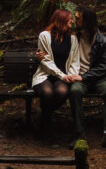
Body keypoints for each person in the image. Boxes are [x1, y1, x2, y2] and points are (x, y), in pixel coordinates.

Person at [66, 6, 106, 150]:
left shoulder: (103, 41)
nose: (74, 20)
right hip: (80, 78)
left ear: (87, 20)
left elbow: (104, 66)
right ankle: (80, 134)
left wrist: (84, 77)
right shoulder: (74, 37)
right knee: (75, 91)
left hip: (99, 78)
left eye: (78, 18)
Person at [31, 9, 81, 137]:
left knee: (62, 92)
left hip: (64, 77)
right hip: (45, 75)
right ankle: (45, 125)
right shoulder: (44, 36)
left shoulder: (73, 38)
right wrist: (63, 76)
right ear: (61, 19)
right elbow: (45, 61)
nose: (72, 21)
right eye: (70, 18)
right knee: (47, 93)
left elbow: (75, 61)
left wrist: (71, 75)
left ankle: (43, 117)